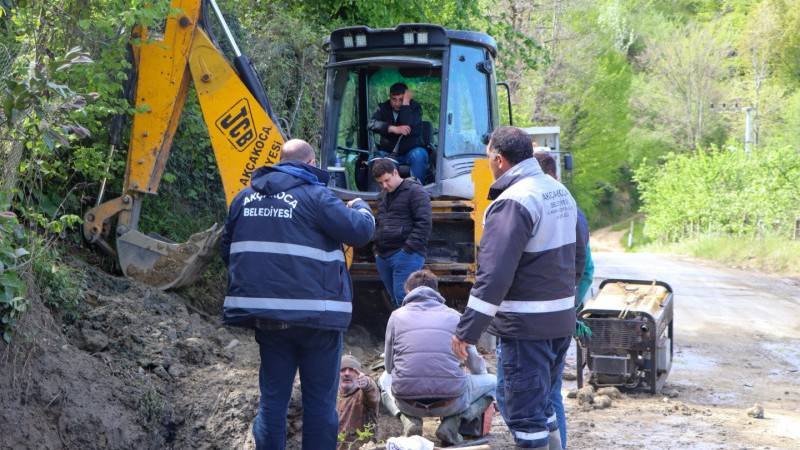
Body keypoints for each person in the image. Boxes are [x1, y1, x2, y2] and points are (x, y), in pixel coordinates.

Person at [220, 139, 376, 450]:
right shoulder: (316, 196)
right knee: (319, 405)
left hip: (268, 319)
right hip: (316, 319)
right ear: (310, 163)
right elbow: (360, 232)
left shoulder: (243, 198)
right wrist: (361, 206)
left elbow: (228, 251)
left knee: (272, 403)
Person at [451, 126, 587, 450]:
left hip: (525, 329)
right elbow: (578, 258)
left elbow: (494, 276)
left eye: (487, 158)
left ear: (498, 159)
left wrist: (467, 331)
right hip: (559, 324)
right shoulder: (559, 192)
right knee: (542, 408)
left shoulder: (513, 201)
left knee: (524, 415)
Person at [379, 270, 496, 446]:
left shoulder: (396, 317)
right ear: (436, 291)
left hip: (408, 403)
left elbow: (389, 367)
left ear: (407, 291)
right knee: (493, 383)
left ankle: (410, 421)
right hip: (451, 402)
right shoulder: (455, 316)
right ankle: (452, 424)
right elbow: (476, 367)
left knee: (383, 379)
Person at [533, 150, 594, 449]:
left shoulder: (570, 211)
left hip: (557, 315)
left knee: (551, 391)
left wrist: (569, 308)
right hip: (552, 314)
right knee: (545, 391)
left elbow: (586, 269)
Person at [371, 158, 432, 308]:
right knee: (397, 301)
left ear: (396, 172)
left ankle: (407, 331)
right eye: (380, 183)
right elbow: (380, 223)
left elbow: (424, 223)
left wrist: (407, 250)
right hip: (384, 255)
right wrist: (377, 251)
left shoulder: (416, 191)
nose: (384, 186)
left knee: (404, 301)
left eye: (387, 180)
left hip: (406, 254)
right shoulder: (383, 196)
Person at [367, 82, 428, 182]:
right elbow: (370, 124)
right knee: (372, 159)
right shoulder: (383, 108)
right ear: (390, 97)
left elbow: (406, 123)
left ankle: (417, 189)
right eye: (394, 99)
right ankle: (377, 193)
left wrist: (406, 103)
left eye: (401, 99)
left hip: (410, 151)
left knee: (420, 155)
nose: (397, 103)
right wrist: (392, 128)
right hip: (388, 152)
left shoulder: (415, 108)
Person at [337, 355, 379, 450]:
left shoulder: (361, 394)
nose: (347, 373)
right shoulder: (333, 396)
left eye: (352, 370)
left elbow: (372, 395)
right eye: (343, 370)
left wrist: (367, 383)